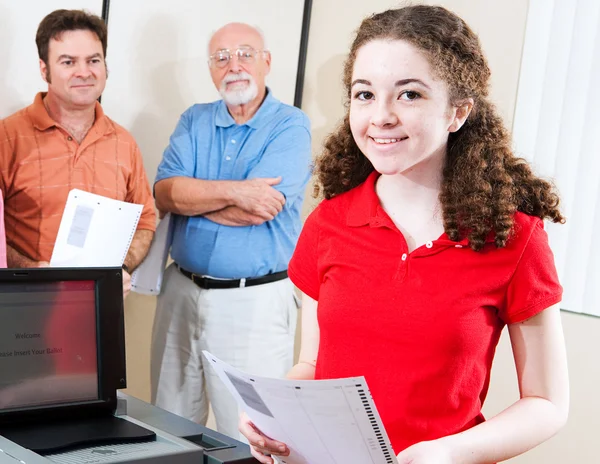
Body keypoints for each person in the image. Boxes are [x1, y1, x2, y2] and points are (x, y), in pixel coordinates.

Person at [240, 5, 569, 463]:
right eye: (364, 94)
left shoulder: (514, 238)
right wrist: (274, 415)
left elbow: (547, 403)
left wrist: (451, 452)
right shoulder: (329, 223)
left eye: (409, 94)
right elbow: (313, 365)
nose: (381, 116)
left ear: (458, 112)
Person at [151, 23, 311, 437]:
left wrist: (195, 200)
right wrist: (236, 192)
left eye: (244, 54)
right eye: (221, 57)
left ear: (267, 62)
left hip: (253, 301)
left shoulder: (290, 125)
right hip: (179, 293)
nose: (233, 65)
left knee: (251, 434)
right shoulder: (194, 120)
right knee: (170, 426)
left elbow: (262, 208)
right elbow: (167, 194)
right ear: (211, 68)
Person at [0, 10, 156, 295]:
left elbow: (145, 221)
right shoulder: (6, 138)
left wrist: (123, 267)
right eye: (68, 62)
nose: (84, 72)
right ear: (44, 69)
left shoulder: (124, 143)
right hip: (21, 304)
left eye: (93, 60)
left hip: (100, 305)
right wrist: (29, 269)